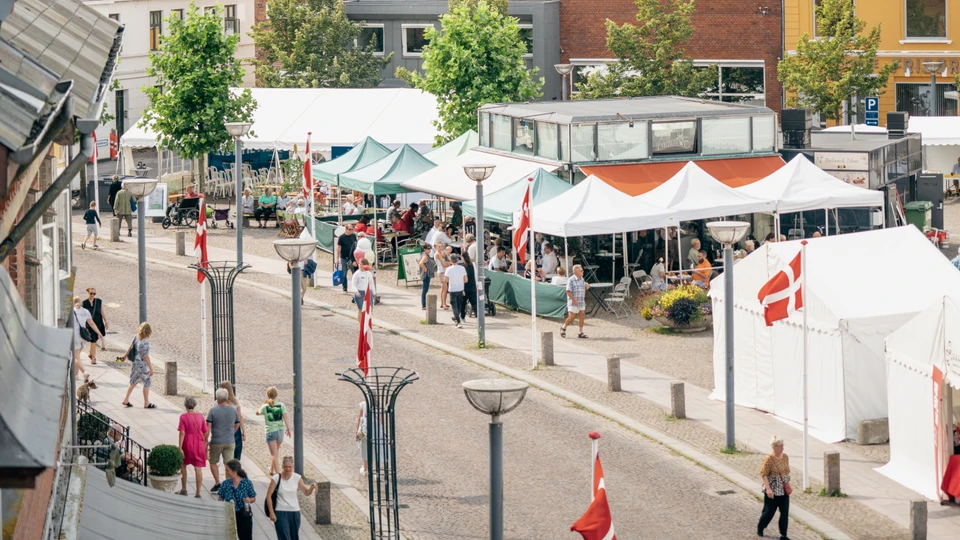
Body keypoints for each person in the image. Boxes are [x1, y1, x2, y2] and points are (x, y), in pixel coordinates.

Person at [267, 456, 318, 540]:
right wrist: (271, 512)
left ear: (292, 466)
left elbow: (306, 492)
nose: (288, 469)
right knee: (284, 537)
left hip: (294, 511)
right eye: (286, 467)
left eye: (290, 467)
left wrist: (311, 488)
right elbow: (269, 496)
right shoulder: (276, 478)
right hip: (280, 511)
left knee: (294, 537)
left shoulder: (297, 477)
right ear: (282, 466)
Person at [757, 435, 791, 539]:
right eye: (779, 446)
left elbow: (786, 472)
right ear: (774, 447)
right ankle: (761, 527)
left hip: (783, 490)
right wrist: (768, 489)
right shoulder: (769, 459)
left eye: (782, 445)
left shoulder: (785, 457)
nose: (782, 448)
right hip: (773, 489)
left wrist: (788, 484)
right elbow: (763, 474)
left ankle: (783, 534)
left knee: (784, 513)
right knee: (769, 512)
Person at [206, 388, 240, 492]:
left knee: (213, 461)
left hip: (216, 441)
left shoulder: (213, 411)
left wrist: (205, 440)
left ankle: (217, 483)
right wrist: (232, 433)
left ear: (217, 399)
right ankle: (228, 485)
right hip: (230, 441)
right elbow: (237, 424)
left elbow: (208, 428)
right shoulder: (233, 410)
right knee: (229, 464)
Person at [177, 396, 209, 497]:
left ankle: (184, 489)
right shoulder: (200, 416)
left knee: (183, 465)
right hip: (199, 444)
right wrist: (204, 441)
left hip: (187, 443)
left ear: (185, 405)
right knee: (198, 468)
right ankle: (198, 493)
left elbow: (182, 432)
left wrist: (180, 447)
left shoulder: (183, 417)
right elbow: (205, 431)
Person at [257, 386, 292, 476]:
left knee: (274, 454)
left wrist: (263, 404)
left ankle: (278, 474)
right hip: (280, 431)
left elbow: (257, 412)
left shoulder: (265, 406)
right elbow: (286, 417)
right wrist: (288, 429)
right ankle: (271, 470)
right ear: (276, 395)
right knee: (275, 452)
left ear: (268, 395)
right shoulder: (281, 405)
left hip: (271, 431)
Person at [218, 460, 256, 540]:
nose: (226, 472)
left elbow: (253, 497)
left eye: (227, 470)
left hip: (244, 515)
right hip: (230, 515)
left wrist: (249, 500)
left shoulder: (246, 483)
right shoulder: (225, 484)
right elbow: (220, 499)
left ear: (234, 471)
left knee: (246, 537)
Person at [121, 322, 154, 408]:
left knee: (133, 381)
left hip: (135, 364)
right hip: (143, 366)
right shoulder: (145, 341)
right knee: (146, 382)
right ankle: (146, 403)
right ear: (149, 331)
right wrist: (151, 368)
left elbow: (130, 347)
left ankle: (126, 399)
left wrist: (124, 355)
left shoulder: (136, 337)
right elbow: (146, 356)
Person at [71, 296, 102, 376]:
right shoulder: (86, 311)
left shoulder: (72, 311)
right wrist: (99, 333)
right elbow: (91, 323)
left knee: (75, 357)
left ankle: (84, 372)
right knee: (78, 356)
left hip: (75, 335)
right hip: (83, 336)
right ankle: (76, 375)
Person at [561, 265, 590, 339]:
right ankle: (564, 327)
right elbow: (568, 291)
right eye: (581, 270)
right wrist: (574, 300)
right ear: (576, 272)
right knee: (572, 317)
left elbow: (583, 286)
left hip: (581, 300)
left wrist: (586, 285)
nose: (583, 271)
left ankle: (580, 332)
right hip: (573, 301)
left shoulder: (582, 279)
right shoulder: (571, 280)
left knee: (582, 316)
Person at [220, 381, 245, 460]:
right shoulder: (235, 401)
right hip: (235, 427)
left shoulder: (219, 402)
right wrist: (244, 431)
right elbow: (240, 416)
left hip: (224, 428)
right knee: (236, 451)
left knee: (227, 454)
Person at [81, 287, 107, 359]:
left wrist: (106, 321)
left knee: (94, 339)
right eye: (91, 293)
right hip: (90, 324)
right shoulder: (84, 303)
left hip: (98, 323)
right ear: (88, 293)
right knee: (93, 340)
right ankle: (93, 358)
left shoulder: (98, 301)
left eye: (94, 294)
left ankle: (90, 353)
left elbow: (102, 311)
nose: (92, 295)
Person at [444, 253, 468, 328]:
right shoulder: (462, 268)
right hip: (460, 289)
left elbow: (445, 280)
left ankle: (458, 321)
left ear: (450, 261)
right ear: (457, 260)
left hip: (452, 289)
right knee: (459, 305)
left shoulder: (448, 269)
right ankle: (456, 317)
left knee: (454, 306)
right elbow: (466, 280)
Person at [336, 223, 357, 293]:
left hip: (352, 258)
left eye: (352, 229)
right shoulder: (341, 237)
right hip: (344, 257)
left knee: (355, 273)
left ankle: (355, 287)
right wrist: (337, 258)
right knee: (344, 273)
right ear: (346, 229)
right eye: (350, 229)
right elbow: (339, 248)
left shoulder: (353, 236)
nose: (351, 231)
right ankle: (344, 287)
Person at [417, 244, 437, 310]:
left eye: (430, 248)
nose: (429, 250)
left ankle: (424, 304)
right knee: (425, 290)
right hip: (426, 274)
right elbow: (420, 263)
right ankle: (424, 305)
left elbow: (418, 262)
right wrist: (424, 268)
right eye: (428, 249)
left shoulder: (425, 255)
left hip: (427, 274)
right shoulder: (425, 256)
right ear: (424, 249)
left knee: (425, 289)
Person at [461, 251, 478, 319]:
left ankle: (462, 317)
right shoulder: (473, 265)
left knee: (463, 303)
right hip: (472, 286)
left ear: (462, 257)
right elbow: (476, 275)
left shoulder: (463, 266)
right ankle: (478, 316)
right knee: (474, 303)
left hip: (465, 287)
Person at [435, 242, 453, 309]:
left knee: (443, 288)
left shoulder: (443, 253)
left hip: (444, 271)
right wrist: (449, 263)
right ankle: (444, 304)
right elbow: (444, 264)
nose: (440, 248)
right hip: (442, 271)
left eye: (441, 246)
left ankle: (442, 303)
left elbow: (448, 260)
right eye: (439, 246)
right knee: (445, 288)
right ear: (436, 247)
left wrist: (447, 256)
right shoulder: (437, 254)